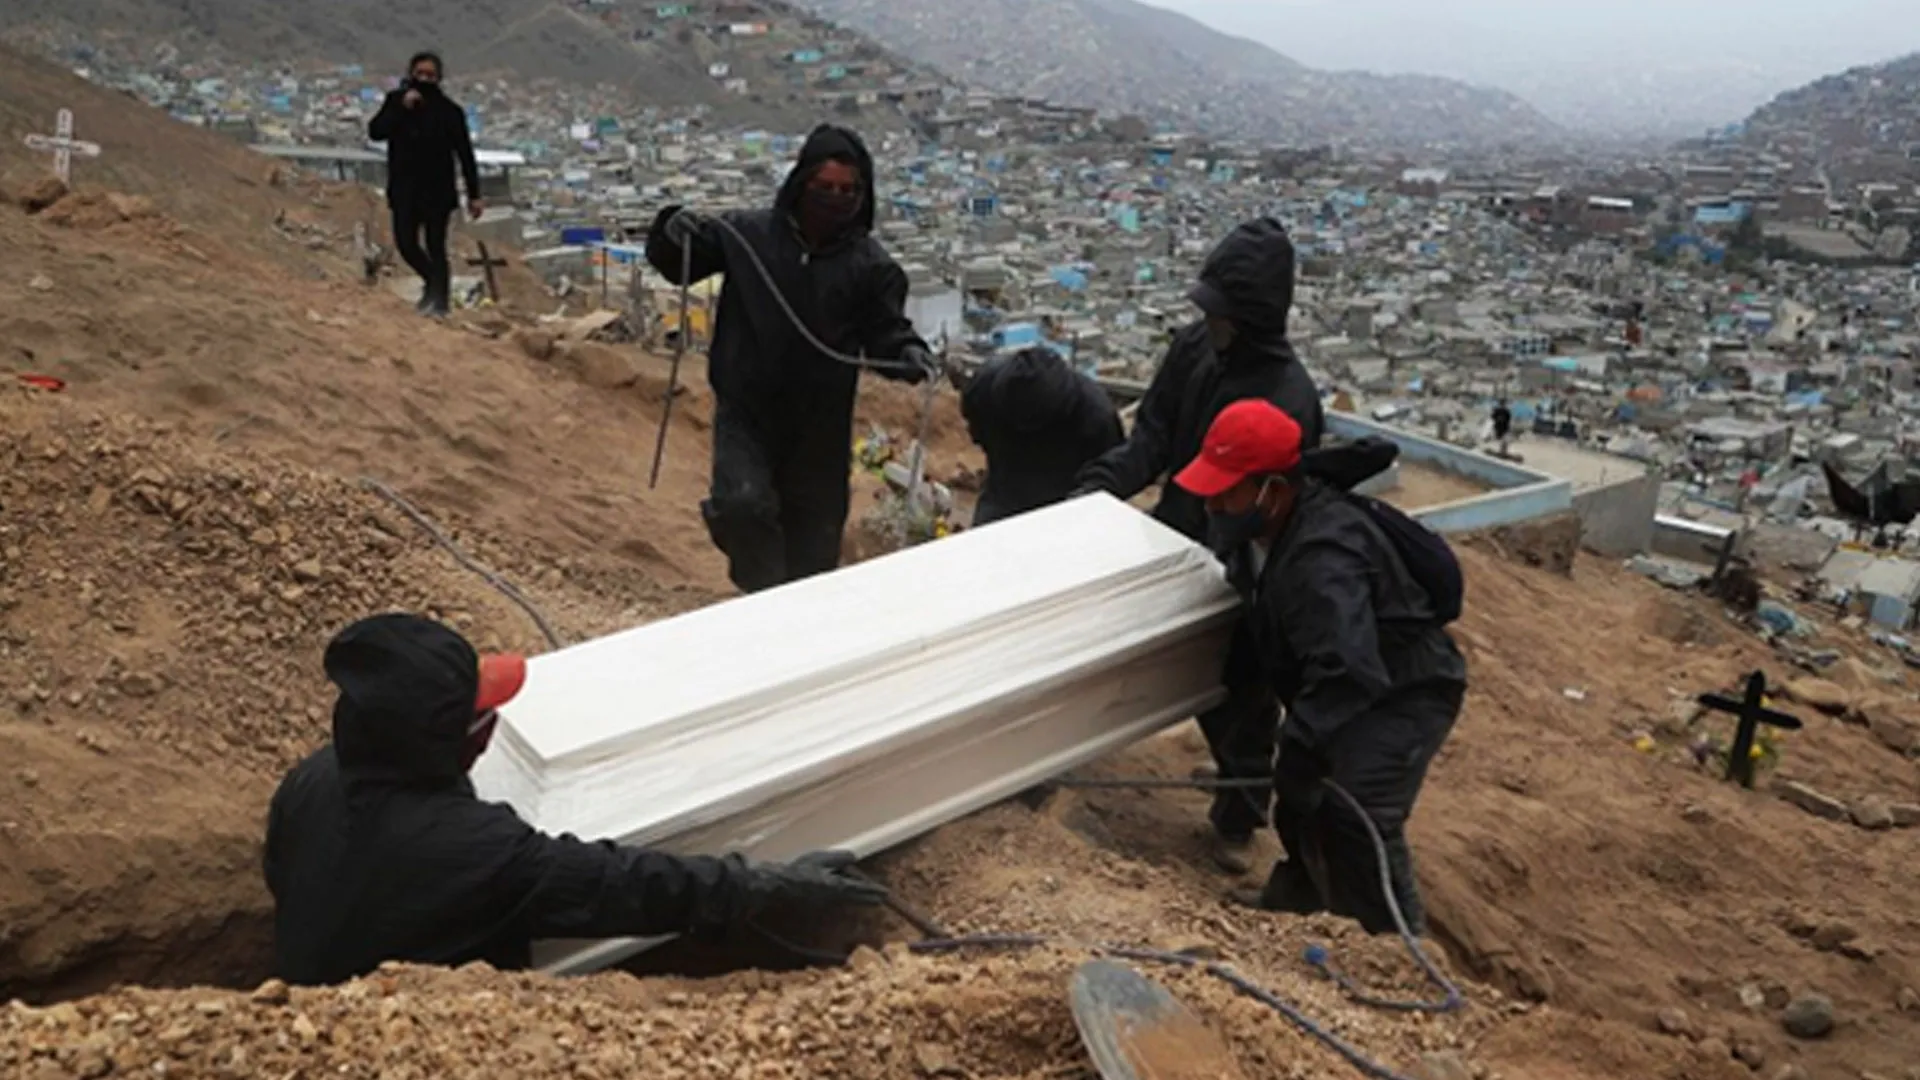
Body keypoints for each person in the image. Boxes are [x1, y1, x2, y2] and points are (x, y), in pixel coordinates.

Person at [263, 614, 888, 986]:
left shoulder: (312, 780)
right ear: (450, 743)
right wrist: (773, 886)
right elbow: (626, 884)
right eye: (481, 717)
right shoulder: (475, 851)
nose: (493, 725)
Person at [1073, 216, 1324, 871]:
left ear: (1254, 317)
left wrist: (1231, 570)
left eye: (1221, 313)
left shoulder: (1289, 401)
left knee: (1240, 696)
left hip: (1237, 565)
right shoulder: (1194, 350)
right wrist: (1099, 490)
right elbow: (1152, 435)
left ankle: (1238, 818)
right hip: (1174, 530)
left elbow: (1273, 514)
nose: (1208, 321)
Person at [1171, 400, 1467, 935]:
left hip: (1406, 690)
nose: (1213, 502)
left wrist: (1302, 740)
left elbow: (1350, 668)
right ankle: (1299, 902)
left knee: (1358, 813)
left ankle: (1395, 947)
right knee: (1302, 799)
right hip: (1344, 678)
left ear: (1274, 490)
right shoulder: (1254, 533)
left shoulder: (1323, 559)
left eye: (1227, 490)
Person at [646, 125, 934, 594]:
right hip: (747, 409)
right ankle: (760, 598)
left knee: (813, 554)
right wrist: (671, 228)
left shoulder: (872, 267)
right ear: (801, 185)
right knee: (741, 506)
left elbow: (884, 333)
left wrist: (908, 355)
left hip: (820, 428)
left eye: (847, 191)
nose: (835, 200)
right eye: (825, 189)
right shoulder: (748, 235)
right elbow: (683, 257)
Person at [368, 51, 483, 318]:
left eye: (430, 75)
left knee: (436, 246)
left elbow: (465, 154)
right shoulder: (396, 102)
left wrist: (474, 194)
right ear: (410, 74)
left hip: (437, 191)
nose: (424, 79)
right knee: (406, 243)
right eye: (419, 74)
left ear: (439, 78)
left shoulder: (450, 112)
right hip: (404, 189)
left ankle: (439, 302)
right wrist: (401, 108)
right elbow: (376, 131)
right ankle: (433, 282)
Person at [961, 346, 1124, 526]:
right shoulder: (984, 387)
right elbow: (976, 426)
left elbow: (1109, 479)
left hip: (1064, 503)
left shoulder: (1096, 417)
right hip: (1004, 488)